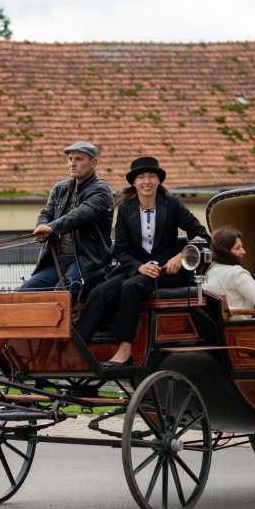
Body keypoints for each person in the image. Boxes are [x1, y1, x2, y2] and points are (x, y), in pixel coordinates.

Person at [75, 156, 209, 364]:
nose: (147, 181)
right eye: (141, 177)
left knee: (131, 287)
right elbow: (120, 250)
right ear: (134, 182)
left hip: (168, 271)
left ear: (158, 181)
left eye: (151, 176)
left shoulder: (172, 205)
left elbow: (201, 236)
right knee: (100, 291)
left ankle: (125, 349)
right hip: (137, 268)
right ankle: (78, 348)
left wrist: (180, 256)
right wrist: (139, 267)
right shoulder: (127, 209)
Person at [18, 141, 114, 302]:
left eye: (78, 159)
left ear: (93, 163)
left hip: (86, 262)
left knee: (61, 297)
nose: (72, 163)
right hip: (56, 261)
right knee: (23, 294)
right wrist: (41, 227)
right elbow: (46, 213)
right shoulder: (60, 188)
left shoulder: (101, 190)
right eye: (70, 159)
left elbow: (80, 215)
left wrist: (52, 228)